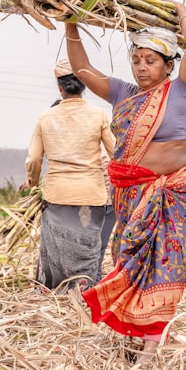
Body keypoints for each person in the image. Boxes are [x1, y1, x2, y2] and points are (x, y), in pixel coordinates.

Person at [64, 0, 186, 363]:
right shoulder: (124, 95)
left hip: (172, 192)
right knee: (129, 261)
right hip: (130, 194)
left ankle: (152, 343)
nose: (142, 68)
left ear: (168, 65)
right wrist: (70, 21)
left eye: (151, 61)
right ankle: (136, 328)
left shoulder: (182, 90)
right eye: (137, 60)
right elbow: (81, 68)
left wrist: (180, 10)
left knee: (165, 263)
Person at [24, 59, 117, 292]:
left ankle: (52, 291)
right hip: (91, 195)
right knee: (88, 247)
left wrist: (33, 183)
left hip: (57, 194)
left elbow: (34, 160)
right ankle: (85, 292)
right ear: (84, 84)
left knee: (54, 248)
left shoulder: (45, 117)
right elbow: (117, 152)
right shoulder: (99, 115)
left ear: (60, 87)